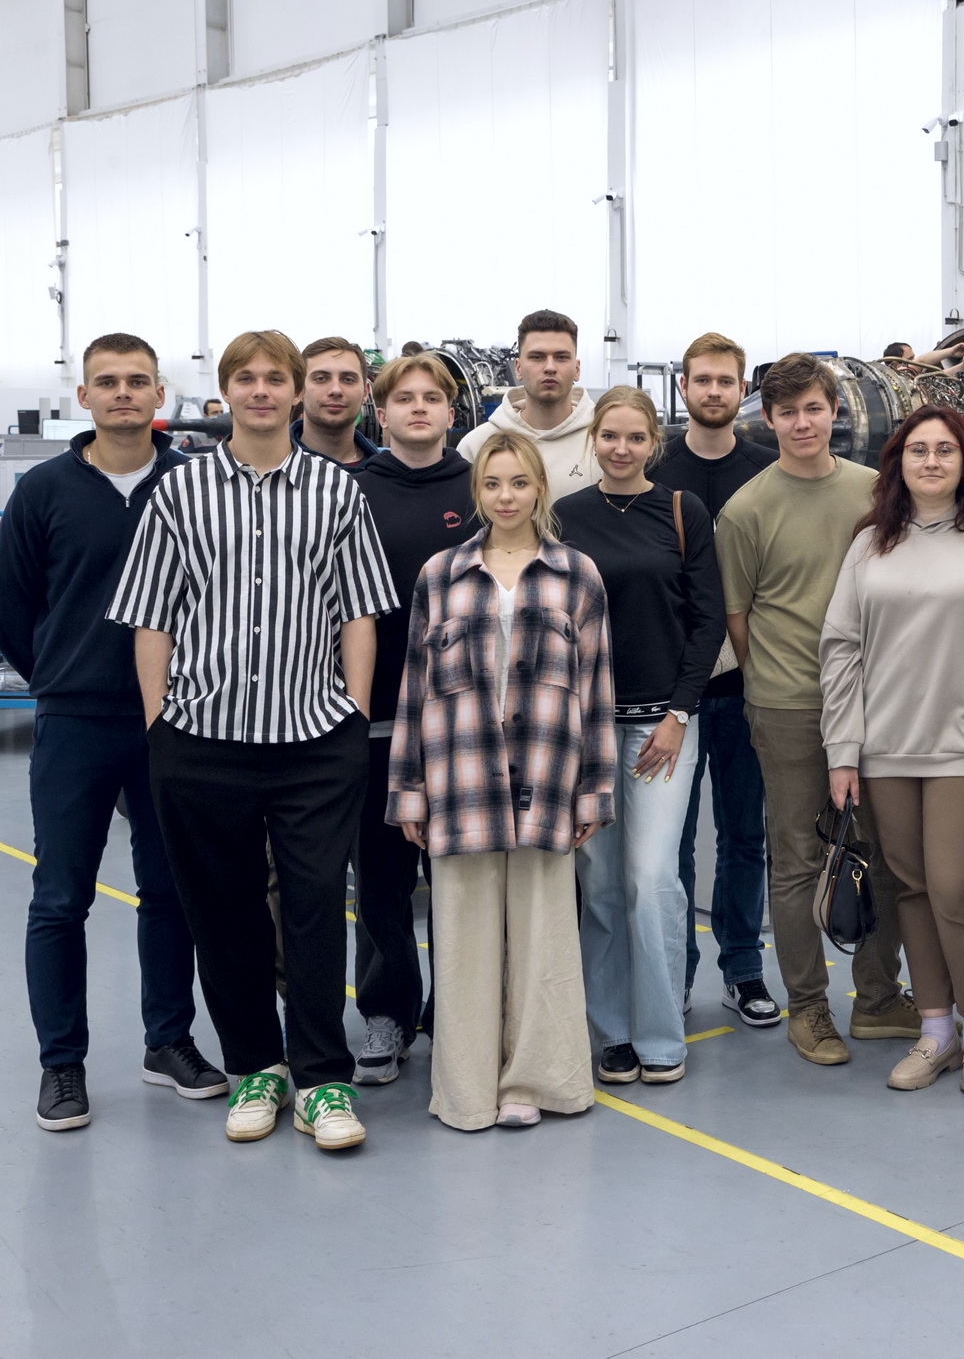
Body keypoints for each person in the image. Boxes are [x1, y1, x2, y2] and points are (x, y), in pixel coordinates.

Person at [109, 328, 396, 1152]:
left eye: (276, 377)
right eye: (247, 378)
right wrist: (160, 723)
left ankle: (322, 1079)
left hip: (314, 739)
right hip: (203, 738)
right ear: (225, 391)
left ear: (297, 391)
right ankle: (255, 1068)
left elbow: (358, 612)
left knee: (314, 907)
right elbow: (152, 617)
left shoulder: (338, 493)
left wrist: (352, 713)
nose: (262, 390)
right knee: (225, 912)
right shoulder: (179, 493)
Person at [0, 331, 224, 1131]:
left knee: (171, 891)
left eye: (137, 380)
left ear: (160, 396)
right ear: (83, 396)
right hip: (75, 722)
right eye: (108, 381)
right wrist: (63, 675)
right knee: (60, 898)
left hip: (175, 721)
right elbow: (9, 609)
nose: (123, 392)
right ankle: (62, 1064)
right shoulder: (42, 490)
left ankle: (169, 1042)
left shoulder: (194, 486)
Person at [390, 432, 615, 1129]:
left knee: (545, 938)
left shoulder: (577, 574)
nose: (506, 496)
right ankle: (467, 1088)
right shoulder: (440, 575)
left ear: (539, 489)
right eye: (493, 484)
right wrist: (409, 790)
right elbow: (414, 690)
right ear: (477, 492)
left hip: (548, 779)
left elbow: (597, 689)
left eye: (519, 483)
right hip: (460, 783)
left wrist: (595, 790)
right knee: (463, 939)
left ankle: (536, 1082)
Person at [821, 405, 964, 1093]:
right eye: (918, 450)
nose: (932, 461)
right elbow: (840, 649)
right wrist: (843, 749)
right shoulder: (870, 545)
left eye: (945, 449)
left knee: (957, 890)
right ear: (898, 463)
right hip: (885, 750)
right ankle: (936, 1030)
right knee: (910, 890)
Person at [715, 352, 917, 1066]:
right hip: (790, 706)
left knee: (886, 854)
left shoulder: (875, 493)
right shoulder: (745, 511)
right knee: (800, 859)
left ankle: (877, 999)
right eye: (787, 412)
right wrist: (776, 684)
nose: (802, 423)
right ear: (767, 420)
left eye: (813, 408)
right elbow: (738, 617)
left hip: (877, 700)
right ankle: (808, 1008)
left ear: (834, 411)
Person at [555, 388, 725, 1086]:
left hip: (662, 729)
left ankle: (660, 1034)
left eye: (634, 437)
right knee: (598, 885)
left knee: (651, 878)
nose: (620, 448)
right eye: (609, 436)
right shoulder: (565, 517)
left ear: (654, 442)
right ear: (592, 439)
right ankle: (613, 1033)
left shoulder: (683, 512)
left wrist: (679, 714)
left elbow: (708, 620)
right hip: (588, 730)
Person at [347, 355, 478, 1084]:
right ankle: (386, 1012)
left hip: (462, 725)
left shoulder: (480, 489)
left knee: (457, 877)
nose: (419, 407)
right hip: (375, 719)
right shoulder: (352, 492)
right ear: (382, 412)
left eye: (432, 397)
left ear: (451, 413)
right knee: (382, 879)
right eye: (404, 398)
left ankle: (457, 1011)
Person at [650, 333, 780, 1029]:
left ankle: (743, 969)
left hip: (744, 687)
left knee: (743, 835)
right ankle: (676, 972)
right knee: (672, 845)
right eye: (701, 380)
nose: (713, 391)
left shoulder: (766, 470)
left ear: (741, 389)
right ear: (683, 387)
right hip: (671, 694)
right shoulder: (654, 469)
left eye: (725, 381)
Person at [457, 309, 600, 499]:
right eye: (537, 357)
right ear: (518, 368)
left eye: (561, 357)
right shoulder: (477, 445)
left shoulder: (604, 443)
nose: (550, 367)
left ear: (577, 369)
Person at [293, 336, 380, 468]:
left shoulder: (387, 473)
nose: (335, 390)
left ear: (365, 392)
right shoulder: (270, 469)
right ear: (299, 389)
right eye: (321, 378)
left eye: (348, 380)